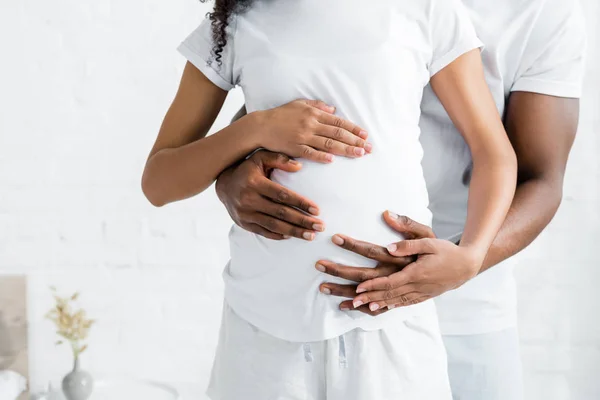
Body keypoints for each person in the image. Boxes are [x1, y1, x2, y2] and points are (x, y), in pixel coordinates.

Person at [142, 0, 518, 398]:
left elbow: (493, 151)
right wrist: (255, 128)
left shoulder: (426, 10)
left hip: (389, 319)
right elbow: (159, 181)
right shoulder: (238, 20)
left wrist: (472, 255)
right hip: (263, 325)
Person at [215, 0, 587, 399]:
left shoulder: (542, 13)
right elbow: (276, 103)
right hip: (325, 298)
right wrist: (228, 181)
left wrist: (465, 260)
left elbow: (542, 178)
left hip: (470, 305)